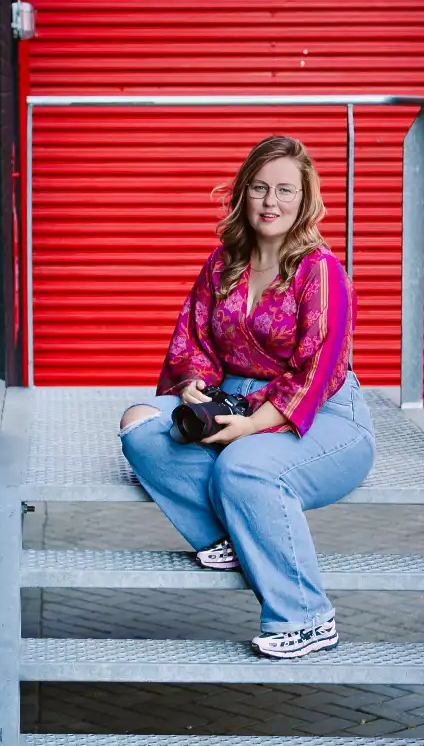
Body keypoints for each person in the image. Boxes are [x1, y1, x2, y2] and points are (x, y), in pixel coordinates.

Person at [117, 134, 376, 659]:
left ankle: (306, 617)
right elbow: (193, 339)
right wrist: (193, 382)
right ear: (242, 194)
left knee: (244, 466)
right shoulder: (223, 262)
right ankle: (232, 533)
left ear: (305, 199)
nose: (271, 202)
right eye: (259, 187)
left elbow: (319, 365)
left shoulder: (320, 271)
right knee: (141, 424)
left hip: (323, 415)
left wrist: (254, 424)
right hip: (232, 398)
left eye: (284, 190)